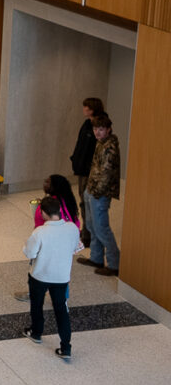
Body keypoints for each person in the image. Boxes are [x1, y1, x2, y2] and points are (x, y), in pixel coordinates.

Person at [22, 196, 81, 360]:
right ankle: (66, 347)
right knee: (61, 309)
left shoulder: (40, 232)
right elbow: (75, 247)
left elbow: (30, 253)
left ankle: (36, 332)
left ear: (43, 213)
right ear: (59, 210)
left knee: (37, 304)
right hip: (61, 276)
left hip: (40, 275)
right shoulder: (72, 228)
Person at [77, 114, 121, 276]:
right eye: (95, 129)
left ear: (108, 130)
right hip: (91, 189)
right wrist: (89, 189)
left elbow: (106, 174)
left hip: (100, 193)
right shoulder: (100, 143)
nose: (97, 132)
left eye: (101, 129)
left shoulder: (110, 147)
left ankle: (115, 264)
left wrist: (95, 192)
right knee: (91, 225)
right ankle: (96, 258)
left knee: (102, 228)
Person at [69, 97, 104, 248]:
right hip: (81, 168)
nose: (83, 109)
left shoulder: (99, 126)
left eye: (86, 107)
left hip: (90, 171)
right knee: (83, 200)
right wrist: (75, 159)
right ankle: (86, 232)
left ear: (92, 109)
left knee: (88, 202)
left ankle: (88, 235)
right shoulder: (86, 123)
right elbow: (80, 144)